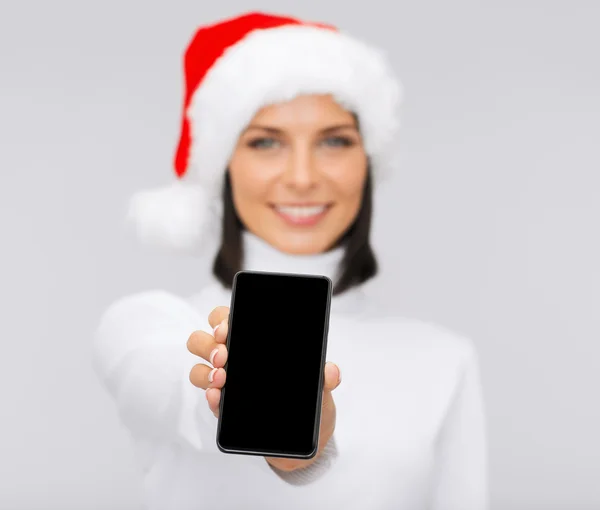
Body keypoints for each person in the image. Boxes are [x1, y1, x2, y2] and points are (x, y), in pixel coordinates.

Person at [92, 11, 488, 510]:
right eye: (265, 141)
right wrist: (232, 398)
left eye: (334, 140)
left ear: (368, 160)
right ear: (222, 166)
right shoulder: (147, 324)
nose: (302, 177)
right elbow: (172, 391)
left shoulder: (445, 358)